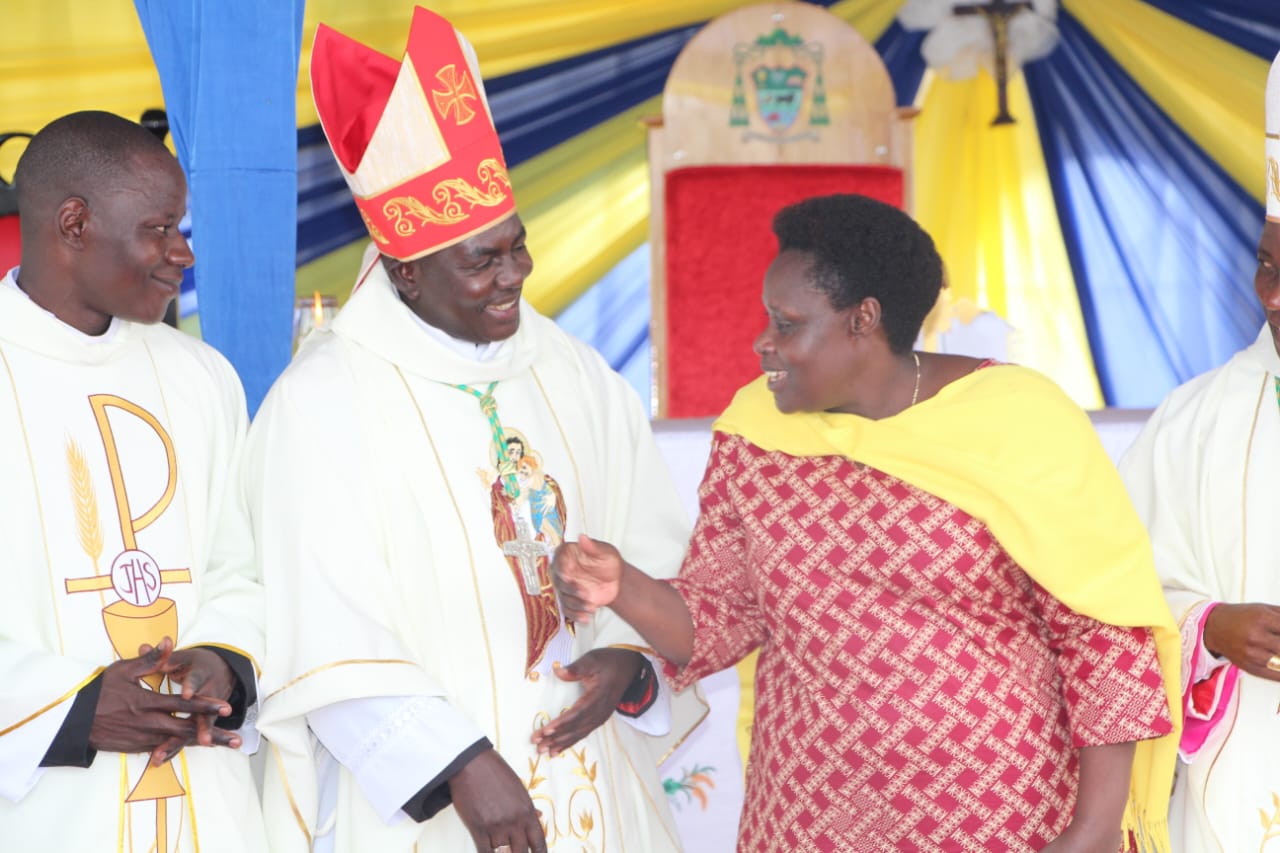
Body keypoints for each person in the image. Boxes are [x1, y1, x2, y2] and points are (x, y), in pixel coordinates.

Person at [552, 193, 1183, 852]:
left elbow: (1103, 634)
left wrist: (1093, 829)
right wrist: (621, 583)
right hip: (806, 821)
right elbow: (719, 615)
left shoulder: (1018, 420)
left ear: (864, 320)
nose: (762, 342)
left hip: (1006, 822)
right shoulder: (756, 432)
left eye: (787, 322)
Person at [246, 8, 700, 853]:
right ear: (406, 272)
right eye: (482, 261)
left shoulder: (576, 376)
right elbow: (321, 627)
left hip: (600, 788)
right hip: (431, 812)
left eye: (517, 247)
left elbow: (662, 559)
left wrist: (632, 666)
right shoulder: (323, 403)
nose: (515, 275)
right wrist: (456, 763)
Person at [0, 111, 266, 850]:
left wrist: (224, 661)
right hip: (41, 814)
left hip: (204, 807)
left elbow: (240, 567)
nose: (181, 253)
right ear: (75, 223)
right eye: (158, 229)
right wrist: (73, 709)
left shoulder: (203, 378)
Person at [1117, 50, 1280, 853]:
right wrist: (1210, 628)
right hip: (1244, 775)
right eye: (1265, 265)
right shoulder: (1197, 420)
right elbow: (1106, 601)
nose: (1273, 296)